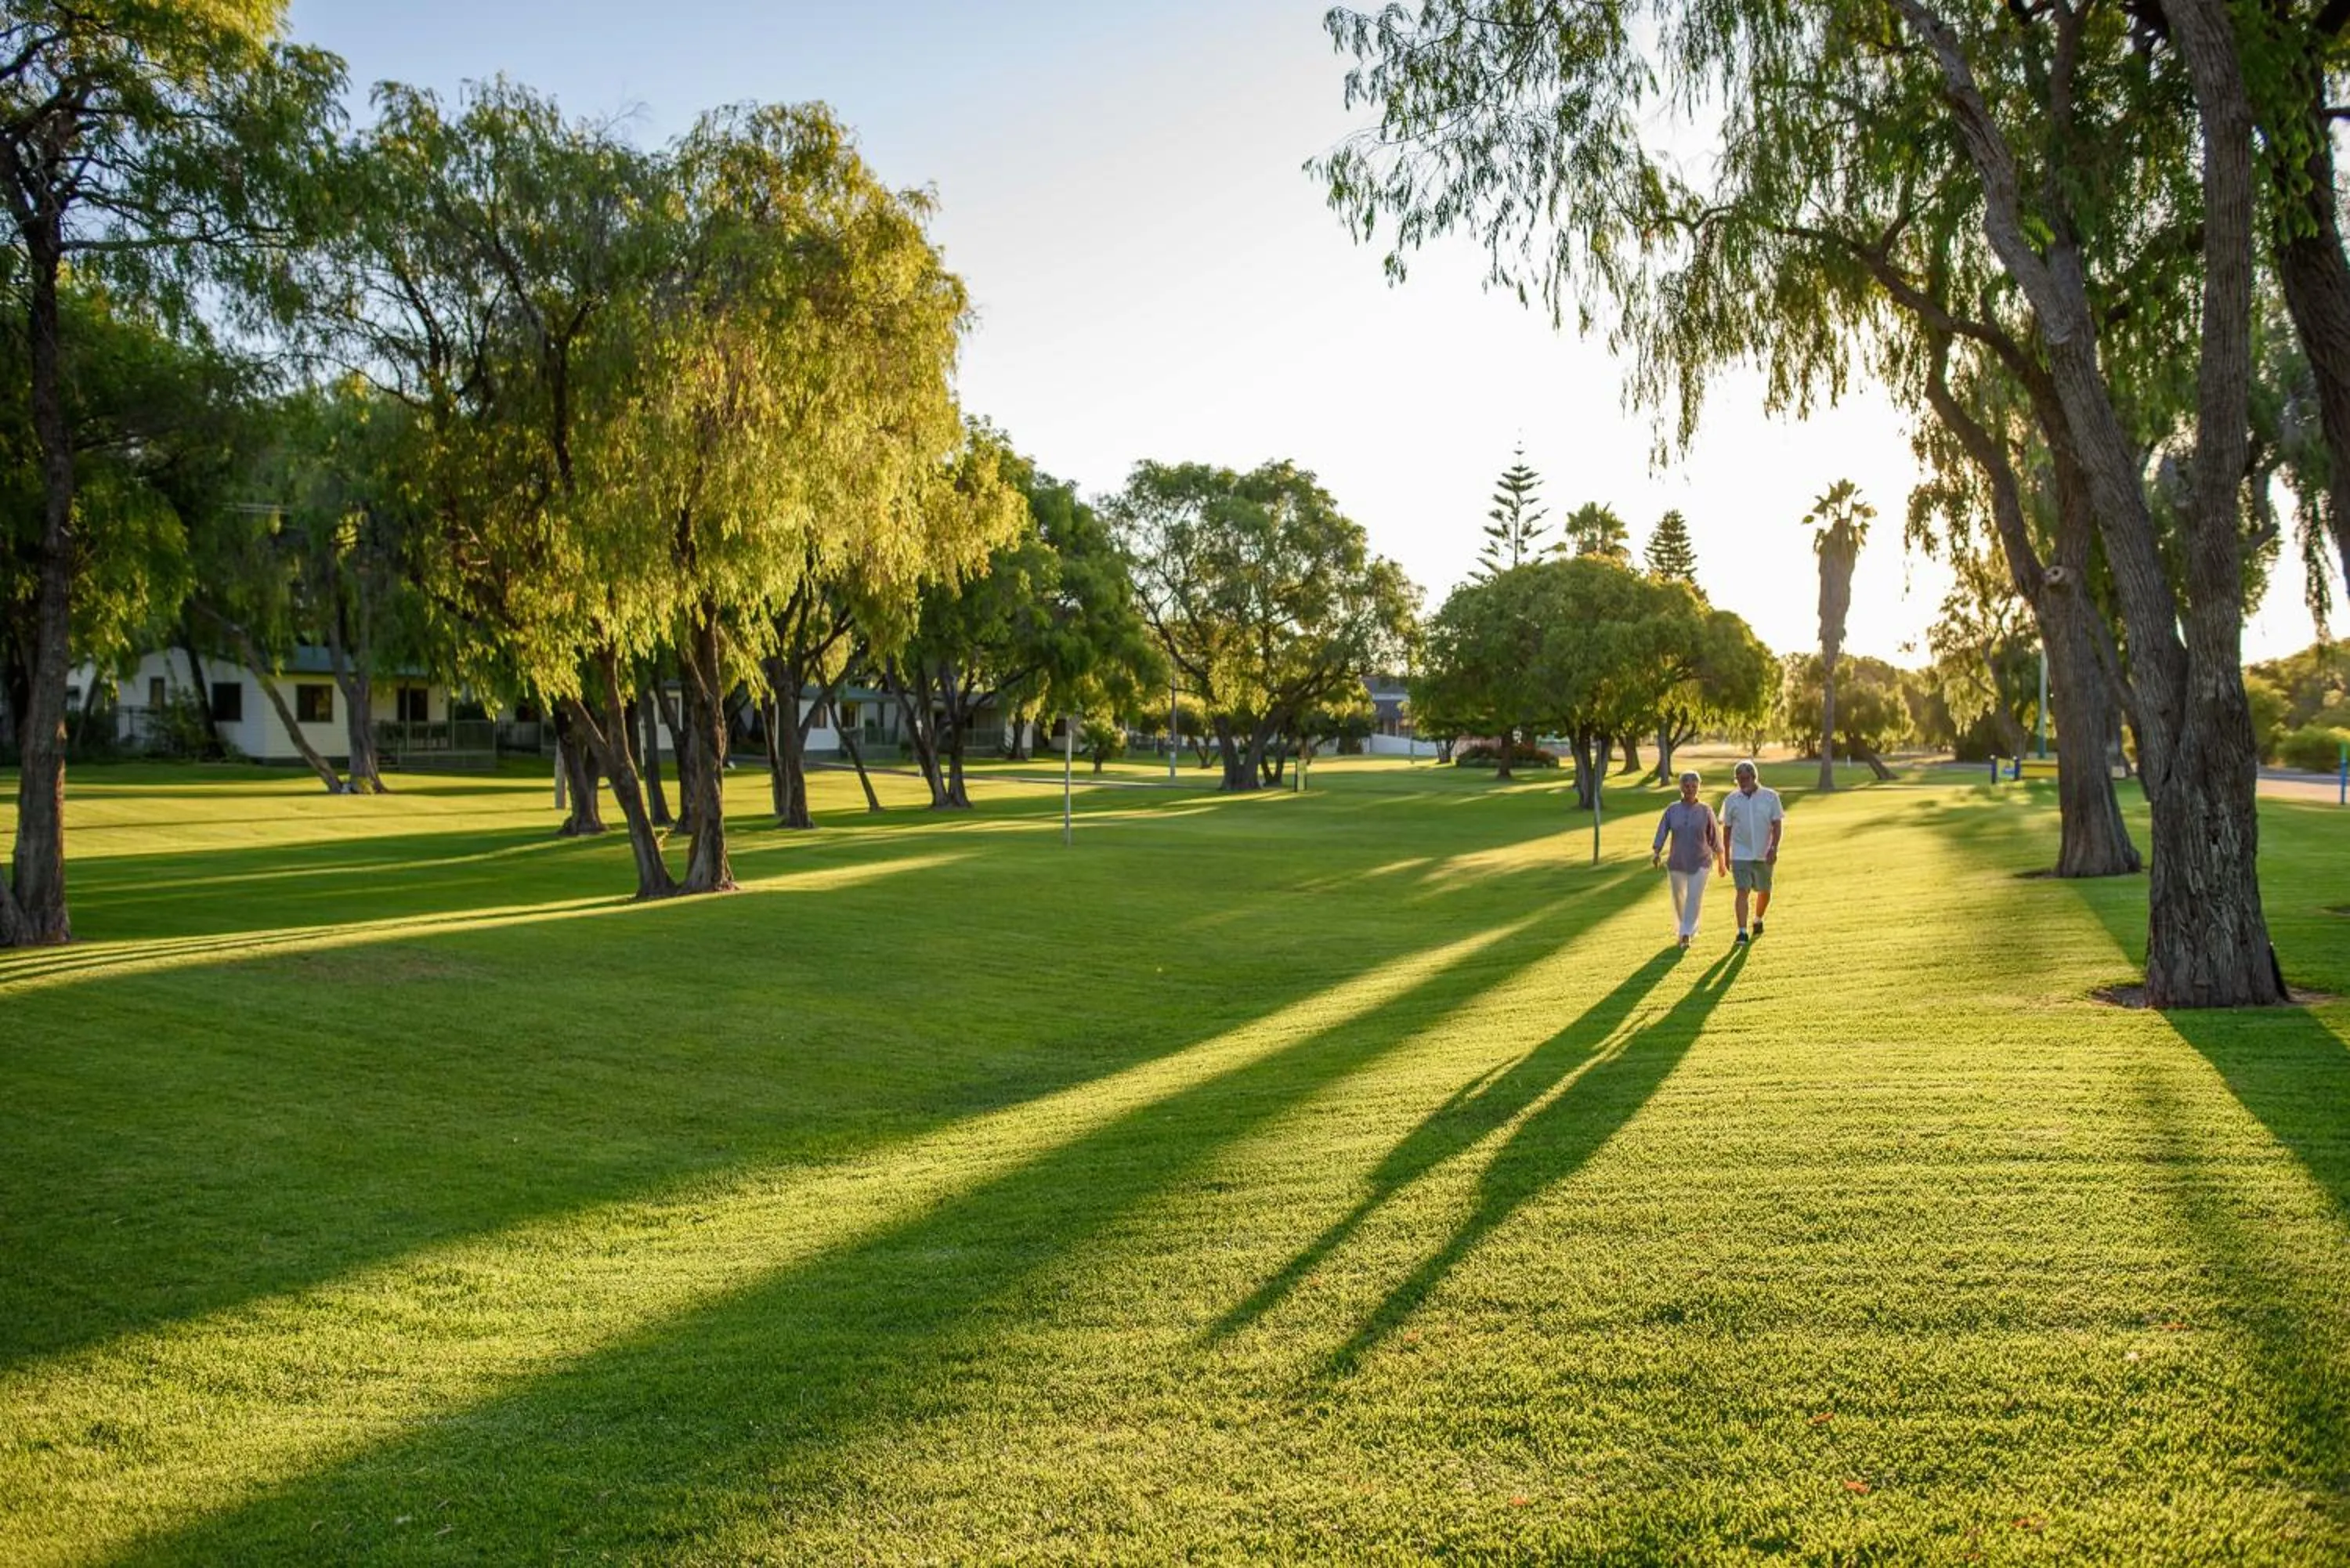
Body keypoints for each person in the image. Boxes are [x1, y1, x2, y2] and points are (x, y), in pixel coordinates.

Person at [1650, 770, 1721, 949]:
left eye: (1694, 786)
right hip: (1677, 861)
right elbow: (1662, 831)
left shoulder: (1706, 810)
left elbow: (1714, 836)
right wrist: (1657, 852)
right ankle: (1683, 928)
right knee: (1679, 898)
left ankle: (1686, 933)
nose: (1690, 789)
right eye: (1686, 786)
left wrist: (1721, 858)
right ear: (1681, 787)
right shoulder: (1672, 810)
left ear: (1699, 787)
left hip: (1701, 861)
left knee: (1694, 898)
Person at [1719, 759, 1784, 944]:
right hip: (1740, 854)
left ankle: (1758, 919)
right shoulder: (1731, 800)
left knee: (1764, 890)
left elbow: (1777, 824)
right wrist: (1726, 855)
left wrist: (1774, 847)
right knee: (1742, 890)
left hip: (1764, 854)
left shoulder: (1770, 797)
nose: (1743, 782)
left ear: (1754, 777)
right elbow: (1727, 829)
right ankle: (1741, 932)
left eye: (1746, 778)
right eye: (1739, 779)